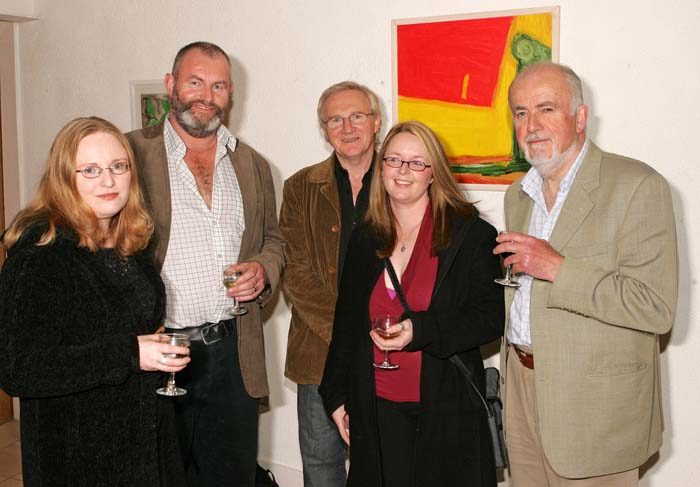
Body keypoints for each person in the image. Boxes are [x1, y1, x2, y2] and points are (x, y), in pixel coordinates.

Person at [494, 62, 678, 486]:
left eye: (546, 109)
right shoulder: (517, 195)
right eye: (520, 113)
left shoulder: (637, 185)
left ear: (579, 118)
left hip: (595, 405)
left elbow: (655, 308)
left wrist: (557, 268)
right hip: (521, 385)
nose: (532, 125)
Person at [126, 41, 285, 487]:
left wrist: (263, 269)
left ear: (231, 94)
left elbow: (273, 240)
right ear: (171, 84)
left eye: (218, 86)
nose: (206, 95)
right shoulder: (131, 156)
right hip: (161, 355)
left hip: (233, 353)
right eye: (195, 82)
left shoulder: (252, 164)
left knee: (230, 477)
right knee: (159, 475)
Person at [0, 117, 191, 487]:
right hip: (78, 457)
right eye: (90, 170)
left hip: (144, 439)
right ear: (62, 178)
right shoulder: (41, 254)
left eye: (118, 166)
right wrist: (130, 354)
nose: (108, 180)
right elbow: (18, 368)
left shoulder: (127, 240)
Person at [319, 121, 504, 487]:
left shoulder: (470, 234)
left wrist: (421, 330)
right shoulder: (365, 236)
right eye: (394, 160)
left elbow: (489, 319)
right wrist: (336, 395)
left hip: (444, 410)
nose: (403, 171)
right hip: (374, 408)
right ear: (381, 167)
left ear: (434, 173)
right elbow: (347, 324)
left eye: (417, 163)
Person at [280, 81, 381, 487]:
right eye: (335, 119)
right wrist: (353, 331)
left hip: (389, 351)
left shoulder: (402, 179)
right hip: (318, 355)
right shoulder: (300, 188)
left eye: (357, 116)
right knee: (321, 468)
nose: (347, 126)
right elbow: (296, 274)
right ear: (324, 130)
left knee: (384, 465)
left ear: (376, 122)